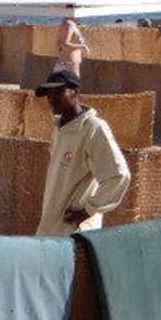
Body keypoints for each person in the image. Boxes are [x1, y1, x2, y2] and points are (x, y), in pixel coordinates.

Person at [34, 70, 131, 236]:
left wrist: (87, 211)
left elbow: (118, 176)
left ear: (75, 92)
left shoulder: (93, 128)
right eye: (49, 94)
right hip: (52, 230)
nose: (51, 98)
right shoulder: (60, 128)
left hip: (75, 234)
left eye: (58, 91)